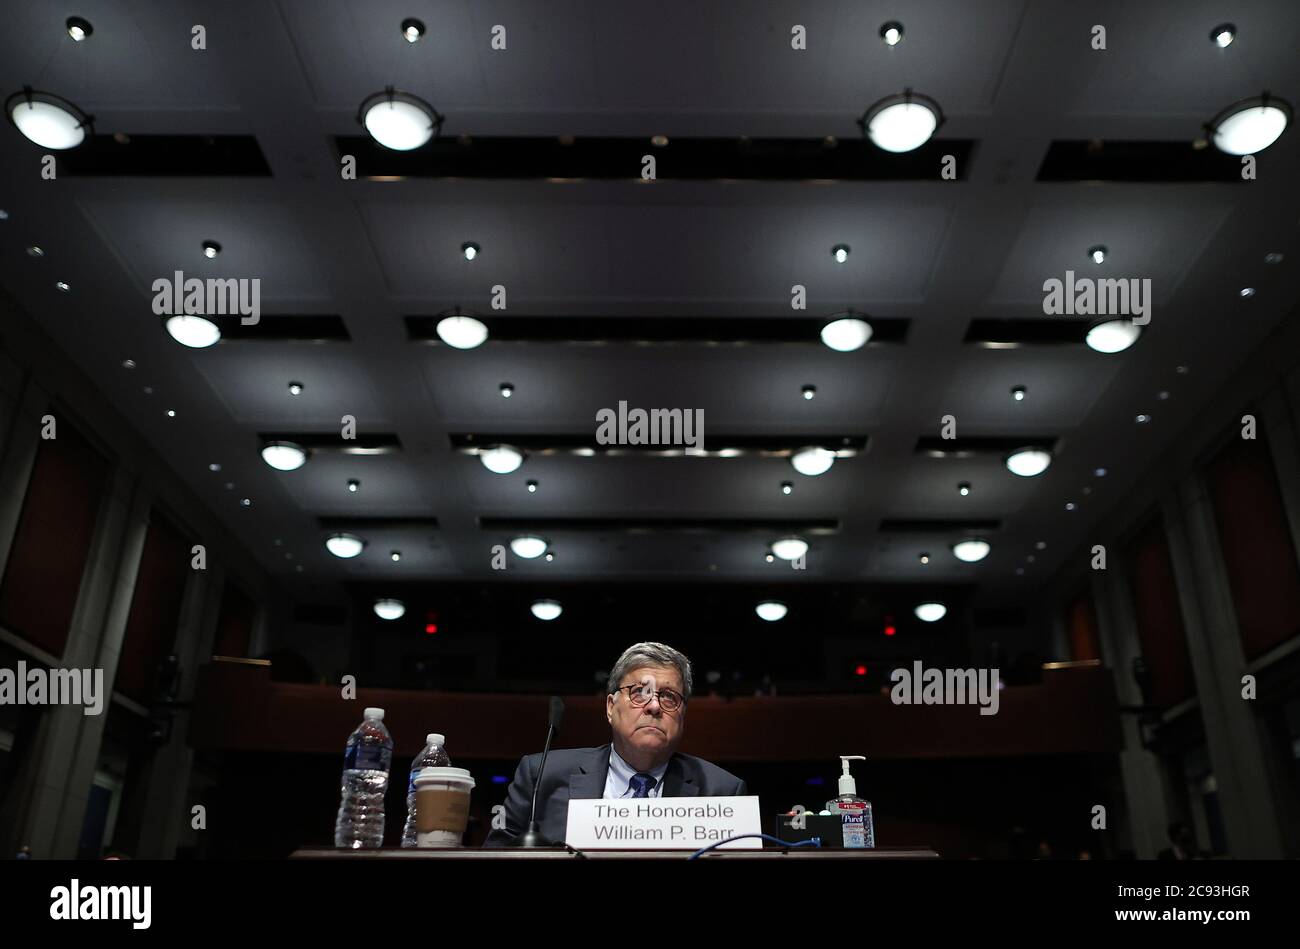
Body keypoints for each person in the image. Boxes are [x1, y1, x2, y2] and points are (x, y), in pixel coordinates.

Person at [484, 642, 748, 846]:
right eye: (639, 693)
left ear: (682, 714)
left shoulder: (723, 791)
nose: (654, 706)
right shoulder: (541, 775)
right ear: (611, 707)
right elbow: (495, 857)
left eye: (668, 697)